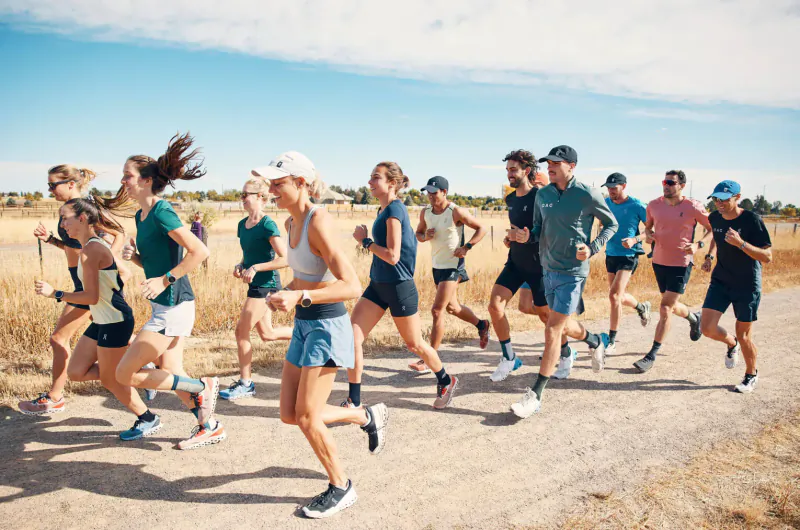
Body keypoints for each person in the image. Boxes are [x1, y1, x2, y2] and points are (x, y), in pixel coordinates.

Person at [253, 151, 388, 519]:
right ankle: (363, 417)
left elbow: (351, 285)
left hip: (328, 326)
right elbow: (305, 276)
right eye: (269, 184)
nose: (271, 190)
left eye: (277, 184)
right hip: (303, 324)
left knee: (309, 417)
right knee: (288, 414)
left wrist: (301, 295)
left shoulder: (318, 220)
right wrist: (282, 294)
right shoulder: (289, 223)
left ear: (301, 183)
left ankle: (341, 487)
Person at [115, 132, 223, 450]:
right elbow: (157, 260)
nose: (123, 181)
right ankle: (209, 425)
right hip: (163, 306)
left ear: (147, 181)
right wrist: (134, 258)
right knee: (171, 371)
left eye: (128, 175)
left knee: (124, 373)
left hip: (174, 304)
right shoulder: (141, 215)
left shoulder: (162, 211)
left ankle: (201, 386)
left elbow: (199, 251)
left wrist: (165, 280)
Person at [34, 197, 161, 439]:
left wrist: (56, 293)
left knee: (111, 380)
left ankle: (147, 417)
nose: (62, 224)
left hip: (115, 320)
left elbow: (91, 297)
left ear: (81, 218)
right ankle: (134, 369)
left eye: (65, 218)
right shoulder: (88, 248)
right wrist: (51, 240)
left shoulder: (92, 250)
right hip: (104, 319)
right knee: (76, 372)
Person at [511, 145, 618, 418]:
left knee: (552, 330)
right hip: (548, 268)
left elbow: (611, 225)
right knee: (559, 323)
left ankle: (535, 395)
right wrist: (527, 236)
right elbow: (537, 228)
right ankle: (595, 340)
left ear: (571, 166)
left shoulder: (587, 193)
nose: (551, 166)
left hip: (573, 271)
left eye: (557, 162)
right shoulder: (543, 194)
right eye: (549, 162)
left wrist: (593, 247)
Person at [347, 162, 459, 409]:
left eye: (375, 177)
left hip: (399, 286)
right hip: (377, 285)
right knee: (352, 337)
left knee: (415, 344)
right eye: (370, 177)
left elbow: (393, 255)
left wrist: (365, 241)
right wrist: (367, 243)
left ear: (392, 183)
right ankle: (353, 401)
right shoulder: (383, 210)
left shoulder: (395, 210)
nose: (369, 182)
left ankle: (446, 379)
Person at [19, 165, 127, 415]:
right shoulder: (67, 210)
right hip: (81, 283)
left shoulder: (83, 208)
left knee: (58, 338)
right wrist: (51, 240)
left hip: (90, 287)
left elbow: (118, 233)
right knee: (113, 336)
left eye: (52, 185)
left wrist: (107, 261)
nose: (49, 190)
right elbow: (74, 247)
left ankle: (55, 397)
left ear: (70, 183)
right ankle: (143, 365)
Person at [488, 151, 560, 382]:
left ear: (526, 171)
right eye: (507, 169)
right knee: (494, 306)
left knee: (546, 315)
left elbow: (552, 232)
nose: (508, 174)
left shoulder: (541, 197)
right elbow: (516, 229)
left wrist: (529, 238)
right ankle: (509, 357)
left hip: (539, 266)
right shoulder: (510, 200)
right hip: (515, 263)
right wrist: (511, 238)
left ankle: (569, 350)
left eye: (512, 169)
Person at [220, 177, 293, 400]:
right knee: (267, 334)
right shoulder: (242, 225)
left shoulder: (267, 224)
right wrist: (241, 265)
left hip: (267, 286)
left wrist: (256, 267)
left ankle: (246, 383)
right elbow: (249, 254)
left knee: (241, 331)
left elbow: (285, 259)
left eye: (245, 195)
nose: (242, 198)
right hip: (256, 285)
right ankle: (309, 333)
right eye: (241, 194)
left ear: (261, 198)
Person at [633, 170, 712, 373]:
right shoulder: (654, 205)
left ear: (681, 186)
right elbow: (648, 229)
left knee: (665, 308)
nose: (666, 185)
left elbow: (713, 229)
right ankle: (695, 319)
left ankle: (651, 354)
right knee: (671, 305)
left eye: (670, 182)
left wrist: (698, 244)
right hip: (659, 262)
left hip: (681, 263)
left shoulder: (693, 206)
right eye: (664, 181)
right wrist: (648, 235)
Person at [409, 175, 489, 374]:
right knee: (453, 308)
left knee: (437, 310)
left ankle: (429, 358)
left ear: (444, 192)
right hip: (437, 266)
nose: (430, 196)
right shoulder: (425, 212)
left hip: (454, 265)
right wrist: (424, 237)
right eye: (428, 192)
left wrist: (466, 247)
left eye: (434, 193)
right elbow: (418, 234)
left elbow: (482, 228)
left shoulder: (456, 212)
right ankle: (482, 324)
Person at [700, 181, 771, 393]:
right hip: (721, 280)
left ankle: (751, 374)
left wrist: (741, 243)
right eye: (716, 199)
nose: (719, 203)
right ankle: (731, 344)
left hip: (747, 284)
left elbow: (767, 256)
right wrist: (709, 256)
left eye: (724, 199)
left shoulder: (752, 220)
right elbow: (716, 235)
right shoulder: (715, 217)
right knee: (707, 328)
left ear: (737, 197)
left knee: (745, 335)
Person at [601, 172, 652, 353]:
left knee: (614, 296)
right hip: (611, 253)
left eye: (614, 188)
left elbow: (651, 232)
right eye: (608, 188)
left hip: (629, 255)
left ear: (624, 186)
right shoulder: (606, 203)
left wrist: (635, 239)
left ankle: (612, 340)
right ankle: (641, 307)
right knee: (619, 297)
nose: (611, 191)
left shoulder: (637, 205)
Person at [518, 172, 550, 319]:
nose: (536, 191)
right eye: (533, 187)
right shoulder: (525, 208)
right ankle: (558, 319)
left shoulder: (550, 209)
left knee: (544, 311)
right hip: (528, 261)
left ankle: (559, 326)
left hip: (545, 263)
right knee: (524, 306)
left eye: (539, 186)